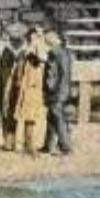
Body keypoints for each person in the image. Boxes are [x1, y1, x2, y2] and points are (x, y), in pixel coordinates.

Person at [10, 31, 48, 155]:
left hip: (32, 90)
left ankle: (26, 144)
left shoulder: (32, 54)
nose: (38, 40)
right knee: (29, 118)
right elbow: (20, 74)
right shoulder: (29, 55)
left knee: (30, 119)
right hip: (28, 90)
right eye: (36, 38)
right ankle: (28, 146)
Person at [40, 28, 75, 157]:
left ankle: (65, 147)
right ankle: (48, 146)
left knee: (58, 119)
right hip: (55, 92)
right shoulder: (57, 52)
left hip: (57, 93)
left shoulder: (59, 53)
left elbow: (61, 75)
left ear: (55, 38)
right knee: (51, 119)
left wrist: (57, 93)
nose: (45, 39)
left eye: (48, 36)